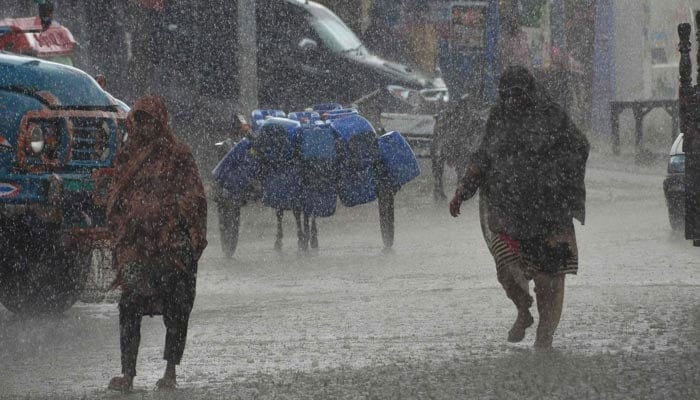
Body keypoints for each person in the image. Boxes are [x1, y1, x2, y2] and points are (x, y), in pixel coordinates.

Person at [449, 66, 589, 350]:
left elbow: (579, 147)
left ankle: (544, 341)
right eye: (507, 95)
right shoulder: (498, 118)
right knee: (507, 268)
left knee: (550, 282)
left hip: (551, 215)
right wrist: (463, 190)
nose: (513, 100)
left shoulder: (553, 117)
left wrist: (559, 179)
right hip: (509, 214)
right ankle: (523, 310)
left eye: (519, 94)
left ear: (530, 92)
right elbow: (483, 156)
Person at [106, 96, 208, 391]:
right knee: (129, 302)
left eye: (150, 120)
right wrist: (132, 223)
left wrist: (169, 217)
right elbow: (116, 198)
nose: (145, 127)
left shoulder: (178, 154)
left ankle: (170, 370)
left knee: (177, 303)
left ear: (160, 121)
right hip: (137, 246)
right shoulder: (127, 156)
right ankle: (128, 373)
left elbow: (195, 197)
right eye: (140, 121)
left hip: (172, 248)